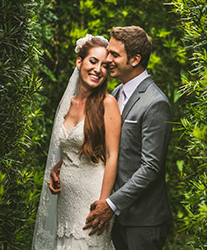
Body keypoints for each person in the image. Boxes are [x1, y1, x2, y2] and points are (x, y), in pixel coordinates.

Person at [84, 26, 173, 250]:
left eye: (115, 54)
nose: (107, 59)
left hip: (143, 221)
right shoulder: (115, 94)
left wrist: (112, 204)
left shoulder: (155, 102)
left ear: (135, 59)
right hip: (117, 218)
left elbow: (151, 166)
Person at [32, 35, 121, 250]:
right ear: (79, 62)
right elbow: (70, 146)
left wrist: (104, 203)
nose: (98, 69)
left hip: (92, 197)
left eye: (104, 66)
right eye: (93, 61)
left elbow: (112, 156)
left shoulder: (107, 103)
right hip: (65, 200)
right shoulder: (66, 103)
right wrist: (57, 168)